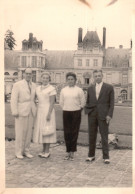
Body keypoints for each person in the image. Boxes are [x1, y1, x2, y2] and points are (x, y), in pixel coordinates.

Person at [85, 69, 114, 164]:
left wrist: (109, 115)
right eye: (96, 76)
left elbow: (112, 103)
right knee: (91, 135)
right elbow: (88, 101)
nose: (97, 77)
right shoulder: (90, 88)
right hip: (92, 115)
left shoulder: (109, 87)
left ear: (102, 76)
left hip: (104, 115)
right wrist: (88, 111)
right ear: (93, 77)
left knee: (104, 136)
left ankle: (106, 157)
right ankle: (91, 155)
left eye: (99, 75)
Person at [10, 68, 37, 159]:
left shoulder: (33, 85)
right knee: (20, 132)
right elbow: (13, 99)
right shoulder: (17, 84)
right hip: (21, 111)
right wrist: (14, 110)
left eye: (30, 74)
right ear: (23, 74)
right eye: (27, 73)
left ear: (32, 75)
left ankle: (26, 151)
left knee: (28, 132)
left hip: (30, 111)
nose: (29, 75)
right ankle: (18, 152)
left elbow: (34, 98)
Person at [60, 72, 85, 161]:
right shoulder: (63, 90)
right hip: (66, 112)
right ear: (67, 80)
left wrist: (78, 110)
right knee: (67, 132)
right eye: (69, 79)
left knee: (74, 132)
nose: (70, 81)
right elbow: (61, 102)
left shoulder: (79, 90)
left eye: (72, 79)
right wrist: (67, 108)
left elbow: (83, 102)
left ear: (75, 80)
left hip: (76, 113)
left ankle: (72, 152)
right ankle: (67, 151)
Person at [33, 72, 57, 158]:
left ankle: (47, 151)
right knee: (42, 130)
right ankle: (43, 150)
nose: (45, 79)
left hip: (48, 111)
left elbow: (52, 103)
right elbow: (35, 99)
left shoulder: (51, 89)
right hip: (40, 111)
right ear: (41, 79)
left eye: (47, 78)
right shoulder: (38, 88)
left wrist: (49, 114)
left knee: (47, 130)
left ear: (49, 79)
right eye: (43, 78)